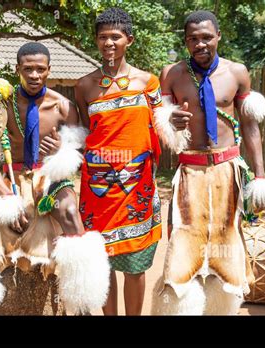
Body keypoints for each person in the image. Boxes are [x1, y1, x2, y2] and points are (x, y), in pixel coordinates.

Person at [0, 42, 110, 315]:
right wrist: (7, 196)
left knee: (70, 213)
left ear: (49, 70)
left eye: (40, 69)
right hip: (10, 179)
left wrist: (60, 152)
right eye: (28, 69)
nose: (34, 75)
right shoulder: (1, 105)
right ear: (17, 69)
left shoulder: (63, 106)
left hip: (50, 177)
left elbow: (75, 154)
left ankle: (82, 300)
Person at [151, 10, 265, 315]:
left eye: (206, 37)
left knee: (227, 241)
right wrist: (170, 122)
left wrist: (260, 180)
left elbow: (250, 126)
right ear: (185, 41)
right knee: (183, 242)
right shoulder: (172, 74)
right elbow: (158, 125)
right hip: (190, 171)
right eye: (193, 39)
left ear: (219, 36)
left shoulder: (237, 72)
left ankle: (221, 309)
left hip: (228, 171)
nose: (200, 44)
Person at [75, 8, 163, 316]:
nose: (108, 43)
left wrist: (175, 124)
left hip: (137, 185)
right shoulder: (84, 86)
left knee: (135, 264)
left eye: (116, 36)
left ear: (130, 39)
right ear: (96, 41)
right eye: (102, 37)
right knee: (103, 262)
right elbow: (83, 135)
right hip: (97, 189)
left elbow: (162, 129)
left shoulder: (148, 83)